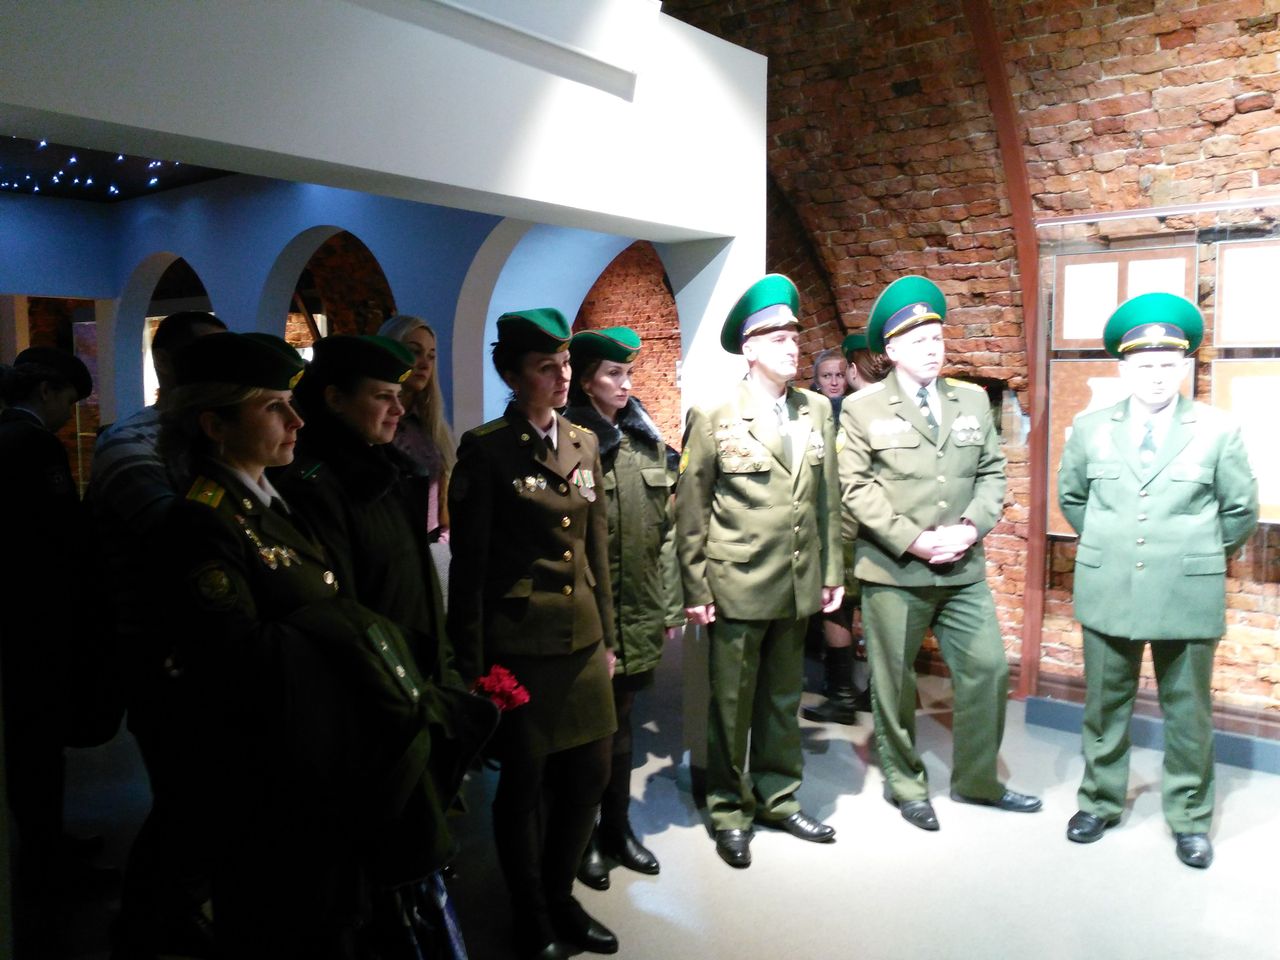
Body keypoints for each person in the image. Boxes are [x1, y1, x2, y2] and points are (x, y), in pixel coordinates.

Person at [158, 332, 493, 958]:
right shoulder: (203, 520)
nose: (296, 419)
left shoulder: (264, 502)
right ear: (215, 424)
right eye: (273, 407)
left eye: (292, 402)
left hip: (320, 757)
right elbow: (242, 665)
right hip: (277, 773)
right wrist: (351, 639)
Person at [1057, 293, 1257, 869]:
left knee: (1188, 713)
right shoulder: (1091, 429)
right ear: (1123, 369)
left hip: (1186, 592)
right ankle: (1099, 801)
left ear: (1184, 366)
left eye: (1168, 364)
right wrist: (1114, 545)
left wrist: (1192, 555)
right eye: (1144, 365)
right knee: (1105, 707)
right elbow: (1074, 498)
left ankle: (1190, 818)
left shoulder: (1217, 430)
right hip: (1109, 587)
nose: (1156, 376)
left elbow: (1239, 510)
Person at [838, 275, 1039, 832]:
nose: (932, 348)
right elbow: (855, 488)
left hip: (962, 569)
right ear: (891, 349)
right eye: (918, 340)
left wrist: (972, 527)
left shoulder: (970, 399)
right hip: (895, 570)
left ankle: (978, 781)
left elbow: (993, 472)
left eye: (937, 337)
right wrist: (912, 538)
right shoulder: (862, 409)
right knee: (894, 681)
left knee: (987, 669)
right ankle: (906, 784)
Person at [447, 308, 619, 959]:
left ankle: (560, 894)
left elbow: (596, 549)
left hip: (582, 643)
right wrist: (472, 667)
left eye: (566, 363)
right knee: (523, 785)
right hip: (519, 646)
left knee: (589, 776)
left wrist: (607, 639)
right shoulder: (487, 450)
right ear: (512, 375)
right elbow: (470, 570)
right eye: (547, 366)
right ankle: (531, 913)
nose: (562, 376)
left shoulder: (583, 442)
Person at [676, 274, 843, 870]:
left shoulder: (814, 409)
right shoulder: (715, 414)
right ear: (749, 349)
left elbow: (828, 499)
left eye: (794, 337)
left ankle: (778, 797)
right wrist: (695, 585)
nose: (791, 347)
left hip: (797, 581)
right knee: (731, 705)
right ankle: (728, 808)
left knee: (782, 699)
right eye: (777, 338)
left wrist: (832, 571)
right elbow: (691, 508)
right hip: (737, 583)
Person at [88, 310, 226, 959]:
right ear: (166, 363)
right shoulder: (130, 442)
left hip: (208, 645)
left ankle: (172, 909)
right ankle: (147, 923)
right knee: (186, 795)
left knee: (202, 794)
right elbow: (181, 540)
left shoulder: (203, 437)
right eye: (208, 356)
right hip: (155, 647)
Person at [563, 326, 682, 891]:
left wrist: (669, 605)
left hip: (637, 607)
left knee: (623, 723)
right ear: (586, 381)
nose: (625, 384)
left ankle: (617, 828)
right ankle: (580, 837)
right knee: (584, 732)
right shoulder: (567, 442)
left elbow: (665, 533)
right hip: (587, 614)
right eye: (613, 373)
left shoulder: (644, 442)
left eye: (628, 373)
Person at [0, 347, 94, 954]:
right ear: (47, 392)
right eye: (69, 401)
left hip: (17, 618)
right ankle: (46, 854)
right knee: (39, 743)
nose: (68, 415)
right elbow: (60, 538)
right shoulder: (34, 446)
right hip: (37, 621)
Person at [802, 336, 890, 726]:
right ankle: (854, 693)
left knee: (840, 609)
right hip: (846, 527)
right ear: (816, 380)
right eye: (827, 376)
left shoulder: (858, 415)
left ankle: (848, 695)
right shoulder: (816, 415)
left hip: (854, 528)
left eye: (841, 374)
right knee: (840, 609)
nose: (835, 381)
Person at [376, 315, 455, 542]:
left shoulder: (431, 426)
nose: (424, 364)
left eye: (431, 356)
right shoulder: (374, 424)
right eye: (414, 352)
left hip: (433, 547)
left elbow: (444, 507)